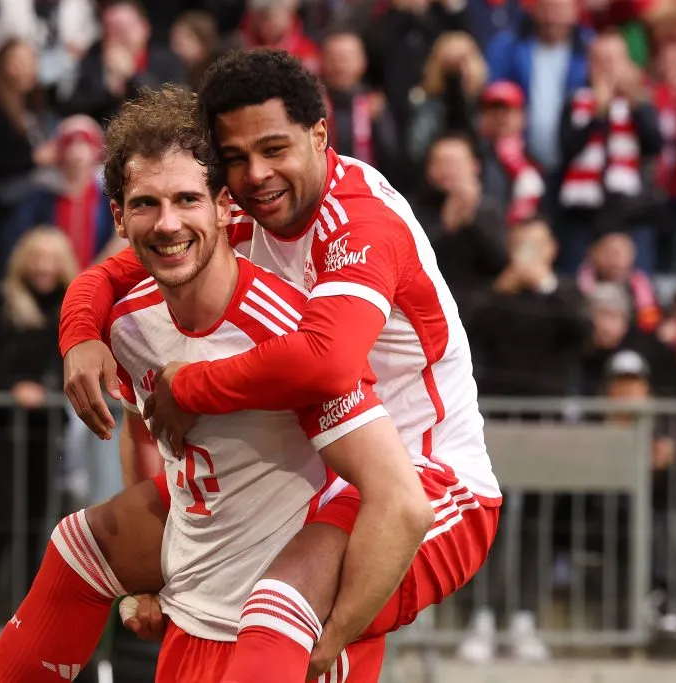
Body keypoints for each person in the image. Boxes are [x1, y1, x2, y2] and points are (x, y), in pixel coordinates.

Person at [60, 50, 502, 677]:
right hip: (319, 480)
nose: (256, 174)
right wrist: (79, 335)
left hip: (425, 481)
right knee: (84, 546)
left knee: (278, 610)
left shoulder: (362, 222)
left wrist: (192, 387)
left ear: (320, 134)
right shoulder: (238, 211)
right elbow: (111, 272)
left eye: (274, 149)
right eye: (235, 158)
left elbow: (328, 364)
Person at [0, 86, 432, 683]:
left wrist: (339, 633)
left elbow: (396, 497)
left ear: (224, 207)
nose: (168, 224)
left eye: (187, 200)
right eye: (145, 205)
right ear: (118, 216)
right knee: (76, 547)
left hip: (280, 620)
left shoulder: (289, 333)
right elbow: (144, 428)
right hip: (197, 600)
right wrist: (145, 581)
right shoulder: (129, 324)